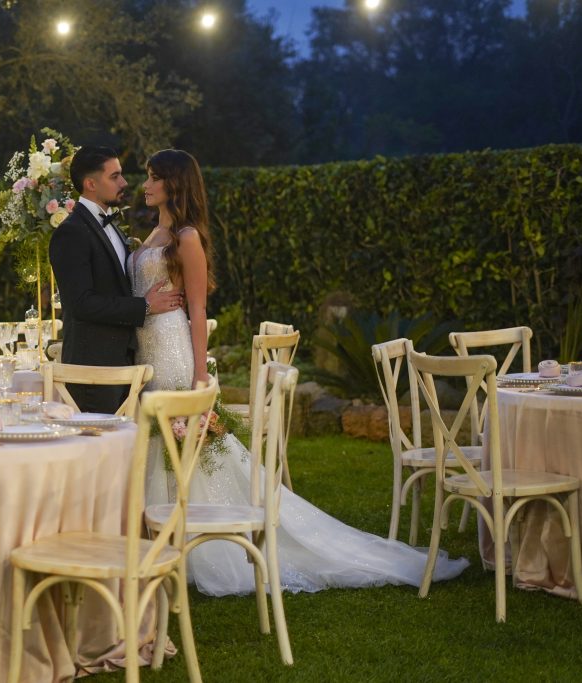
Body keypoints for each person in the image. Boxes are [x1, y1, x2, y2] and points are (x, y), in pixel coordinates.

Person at [132, 149, 469, 595]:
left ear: (174, 184)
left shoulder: (187, 237)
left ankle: (203, 547)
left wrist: (200, 374)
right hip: (145, 351)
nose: (146, 184)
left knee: (189, 451)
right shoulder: (153, 232)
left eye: (154, 178)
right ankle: (164, 539)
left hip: (174, 349)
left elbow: (198, 309)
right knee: (158, 449)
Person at [49, 145, 183, 414]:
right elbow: (81, 304)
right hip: (94, 370)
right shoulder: (71, 233)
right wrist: (143, 307)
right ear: (90, 184)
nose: (124, 182)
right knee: (98, 452)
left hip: (124, 363)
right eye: (115, 176)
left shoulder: (110, 226)